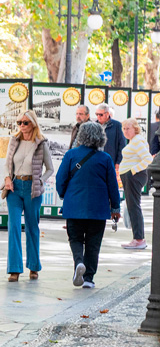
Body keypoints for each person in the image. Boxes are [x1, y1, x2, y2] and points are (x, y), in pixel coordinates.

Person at [56, 122, 120, 289]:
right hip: (98, 209)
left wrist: (65, 195)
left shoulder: (71, 155)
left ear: (81, 136)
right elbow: (113, 185)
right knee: (93, 243)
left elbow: (60, 179)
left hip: (74, 206)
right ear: (101, 137)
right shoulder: (105, 159)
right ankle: (88, 278)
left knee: (75, 238)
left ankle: (78, 262)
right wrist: (115, 208)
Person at [2, 110, 54, 282]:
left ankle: (33, 267)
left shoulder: (41, 143)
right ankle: (14, 269)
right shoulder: (14, 141)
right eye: (19, 122)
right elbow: (7, 164)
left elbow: (50, 169)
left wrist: (41, 181)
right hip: (15, 188)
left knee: (32, 228)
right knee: (14, 227)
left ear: (33, 123)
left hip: (33, 189)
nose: (22, 126)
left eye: (25, 122)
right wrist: (8, 178)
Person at [119, 118, 152, 250]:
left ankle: (138, 239)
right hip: (132, 176)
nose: (126, 131)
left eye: (128, 128)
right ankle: (137, 238)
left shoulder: (137, 140)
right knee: (133, 206)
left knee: (134, 207)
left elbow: (148, 158)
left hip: (134, 177)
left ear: (135, 128)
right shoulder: (135, 140)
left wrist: (132, 171)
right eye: (124, 128)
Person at [95, 104, 126, 173]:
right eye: (96, 114)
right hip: (96, 161)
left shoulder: (117, 125)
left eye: (100, 114)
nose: (98, 117)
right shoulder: (94, 125)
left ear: (107, 114)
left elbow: (122, 144)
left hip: (110, 161)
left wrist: (118, 162)